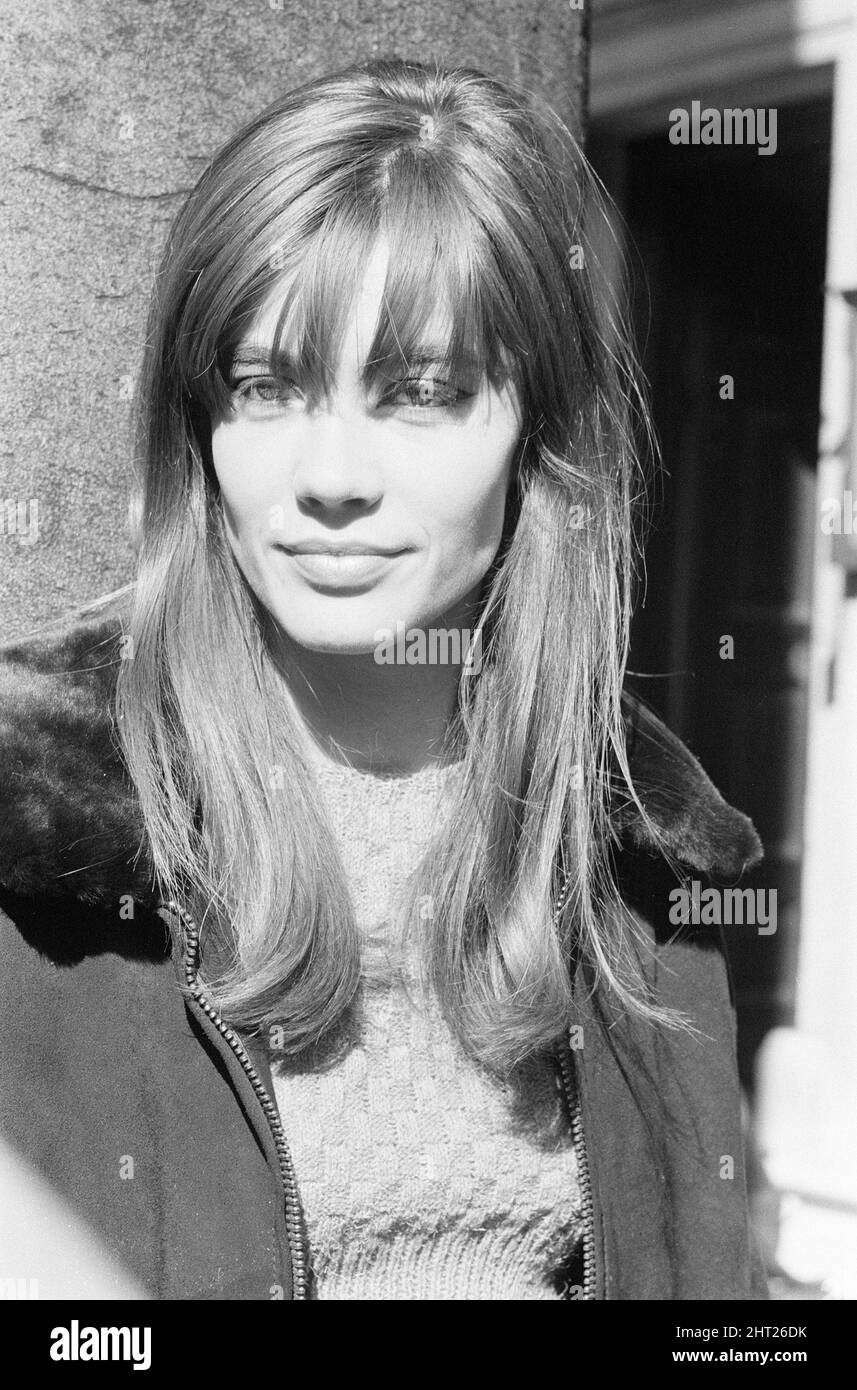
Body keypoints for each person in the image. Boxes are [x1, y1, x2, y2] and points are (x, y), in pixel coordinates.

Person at [0, 57, 767, 1300]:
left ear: (538, 438)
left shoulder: (643, 857)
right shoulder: (41, 835)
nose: (332, 473)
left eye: (419, 392)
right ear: (199, 433)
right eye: (265, 387)